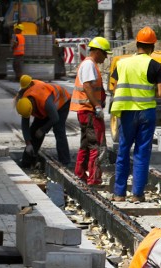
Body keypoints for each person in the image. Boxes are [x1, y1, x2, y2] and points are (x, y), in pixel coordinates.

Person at [110, 26, 161, 203]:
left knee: (123, 151)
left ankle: (119, 194)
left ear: (137, 44)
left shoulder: (122, 63)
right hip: (146, 112)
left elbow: (115, 86)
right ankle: (137, 194)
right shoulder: (155, 66)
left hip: (126, 112)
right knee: (142, 153)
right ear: (152, 47)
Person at [70, 37, 111, 186]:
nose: (105, 57)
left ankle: (80, 174)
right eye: (105, 53)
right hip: (89, 111)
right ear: (98, 51)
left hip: (86, 111)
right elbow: (87, 87)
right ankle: (94, 179)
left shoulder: (90, 64)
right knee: (96, 146)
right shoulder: (89, 65)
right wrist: (97, 106)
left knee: (86, 144)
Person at [16, 80, 71, 168]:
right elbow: (25, 125)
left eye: (32, 112)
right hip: (46, 105)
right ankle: (26, 162)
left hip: (62, 102)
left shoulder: (45, 102)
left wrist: (43, 129)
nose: (32, 114)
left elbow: (55, 118)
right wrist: (28, 144)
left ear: (33, 106)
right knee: (34, 130)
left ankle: (65, 162)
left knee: (58, 130)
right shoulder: (25, 103)